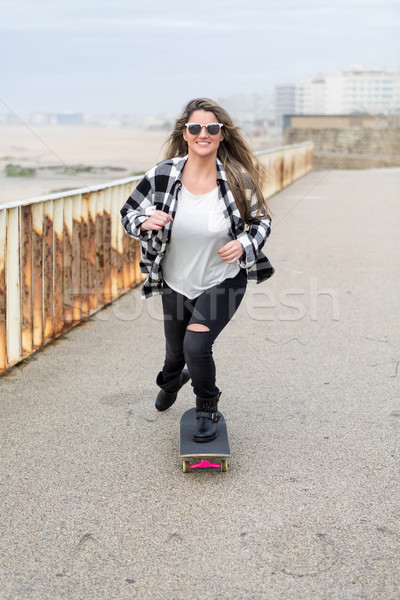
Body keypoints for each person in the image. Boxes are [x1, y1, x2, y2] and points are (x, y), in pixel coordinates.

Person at [120, 98, 274, 443]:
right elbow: (127, 214)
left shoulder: (237, 178)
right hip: (175, 279)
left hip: (224, 278)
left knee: (196, 344)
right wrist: (144, 221)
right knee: (175, 353)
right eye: (195, 128)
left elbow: (261, 223)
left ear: (221, 136)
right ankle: (170, 380)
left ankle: (207, 407)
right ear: (185, 134)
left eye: (212, 128)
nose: (203, 133)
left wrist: (244, 245)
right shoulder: (162, 174)